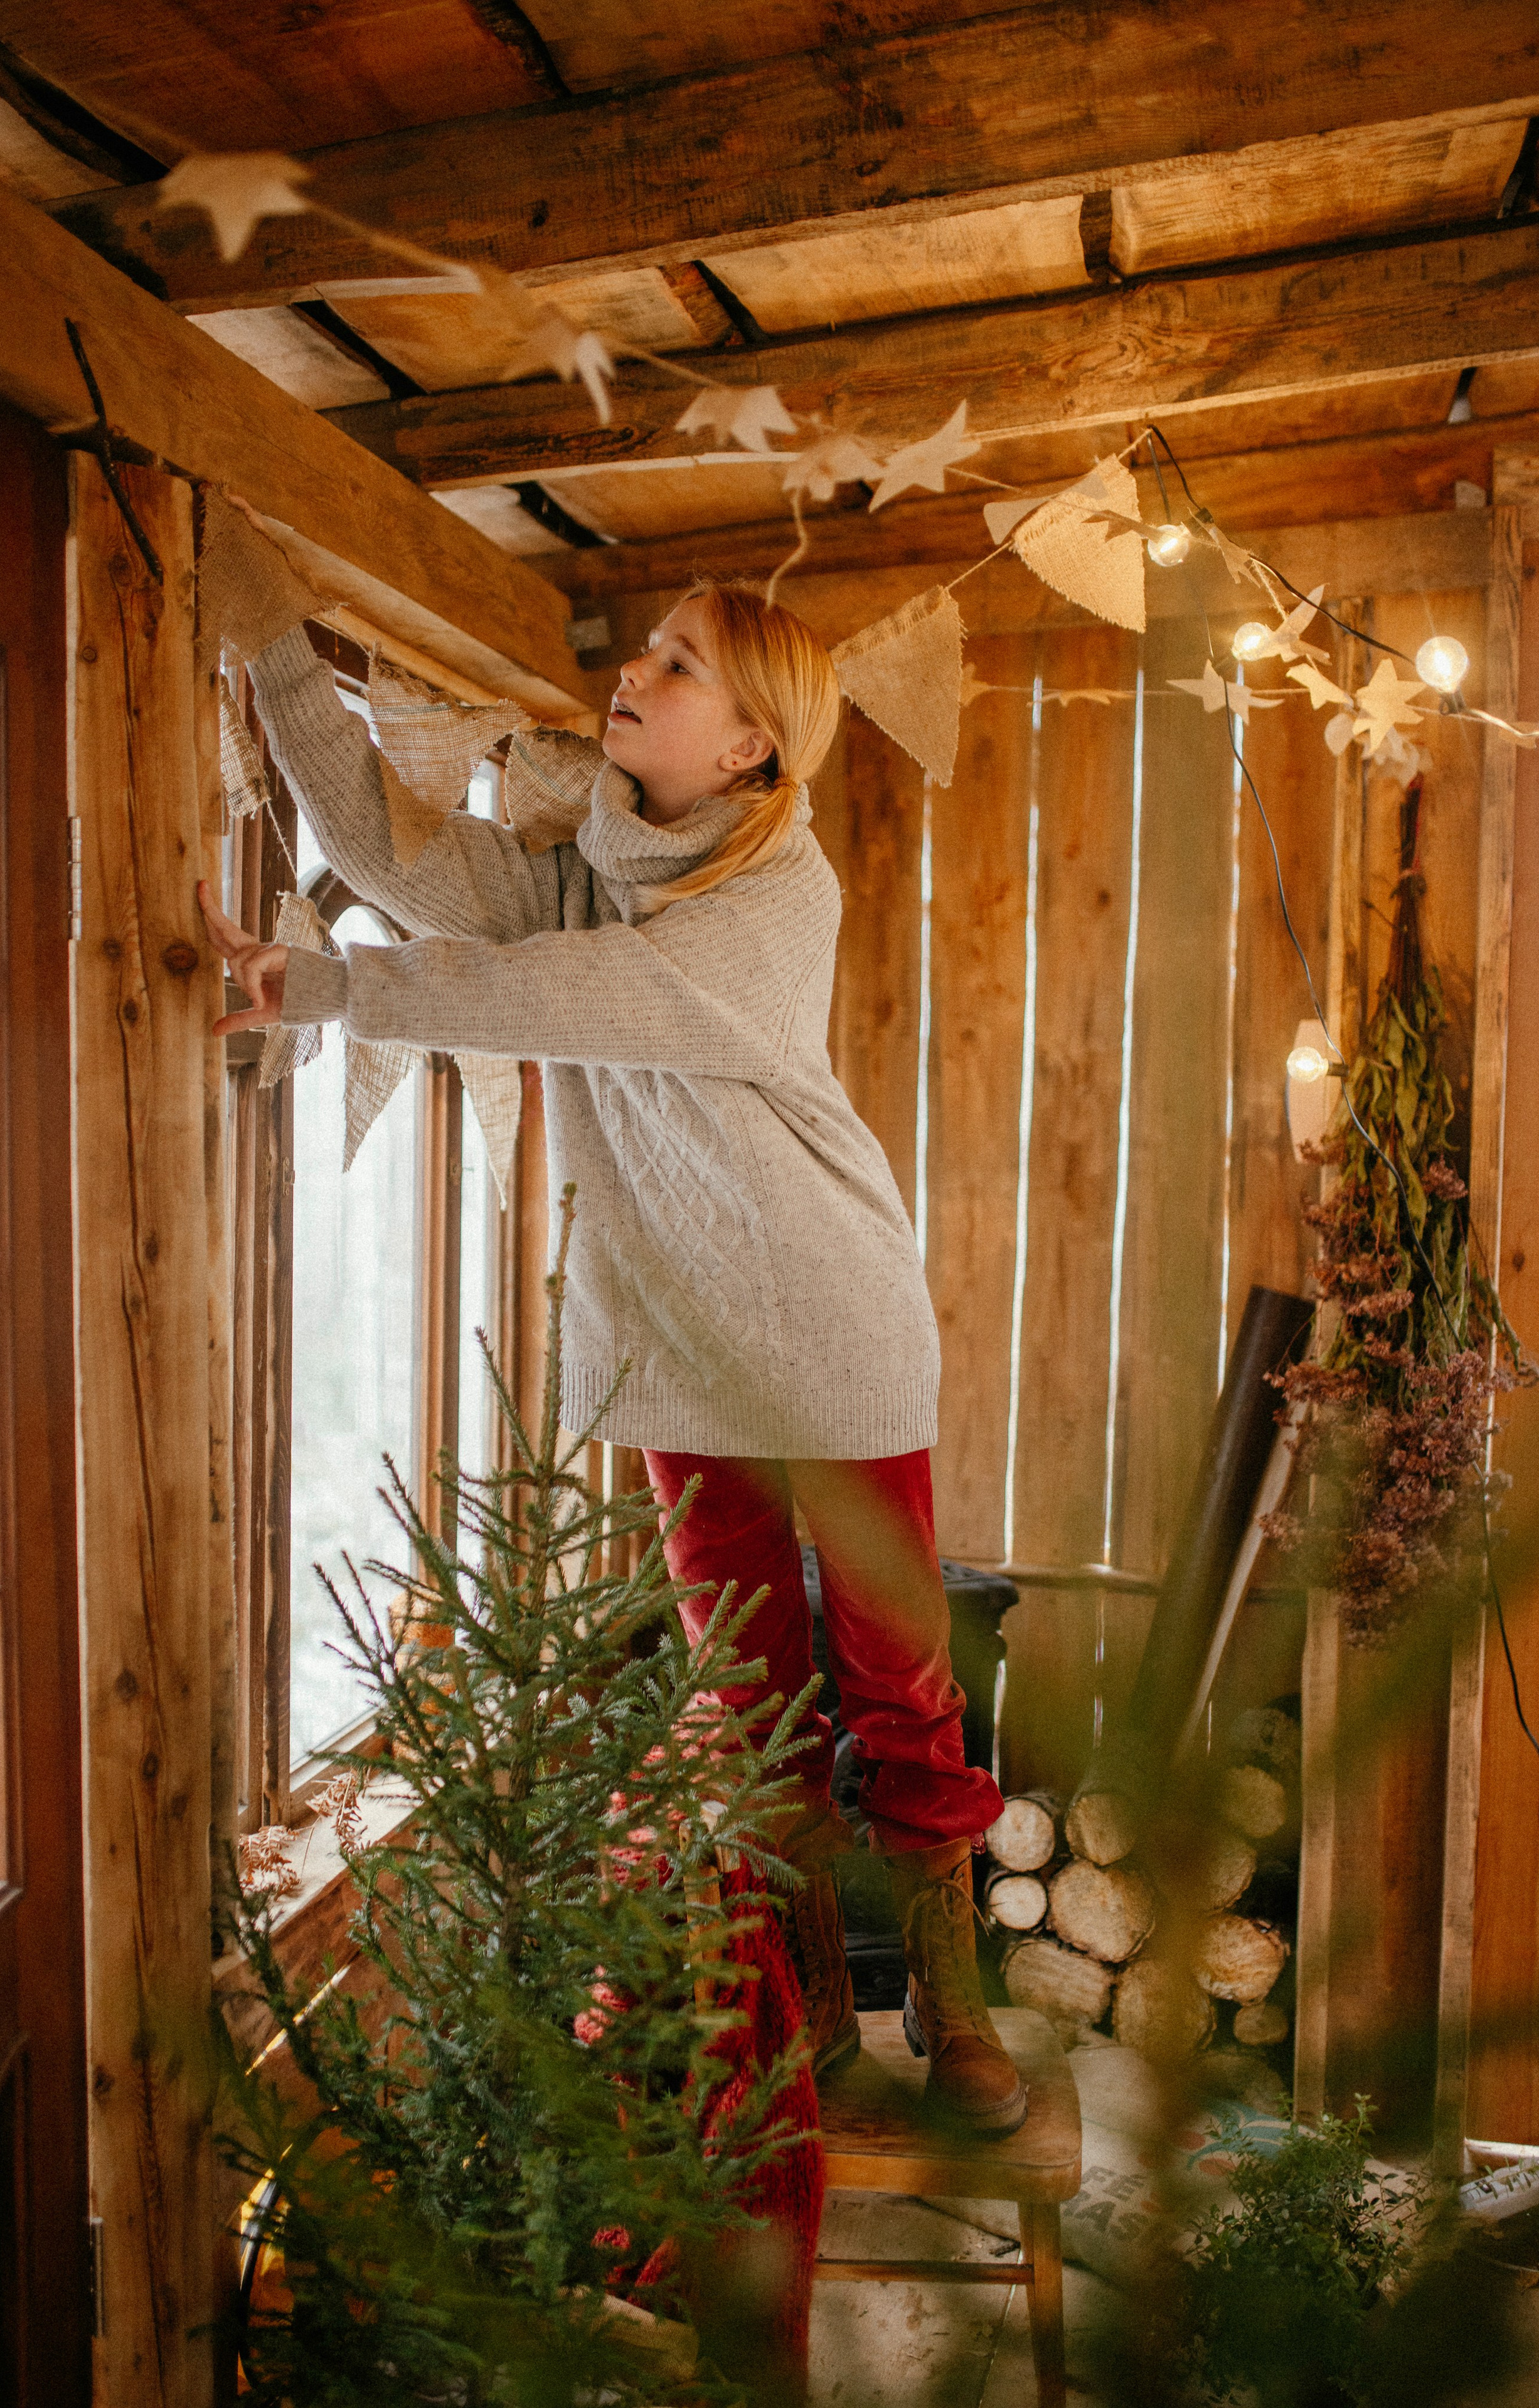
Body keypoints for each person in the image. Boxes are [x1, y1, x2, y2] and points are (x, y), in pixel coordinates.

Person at [198, 524, 1023, 2134]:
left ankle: (951, 1997)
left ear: (750, 744)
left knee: (898, 1683)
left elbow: (559, 999)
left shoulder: (776, 894)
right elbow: (382, 846)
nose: (632, 672)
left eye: (675, 663)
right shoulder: (578, 863)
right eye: (645, 649)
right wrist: (272, 642)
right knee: (742, 1704)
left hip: (834, 1340)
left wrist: (335, 989)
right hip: (670, 1346)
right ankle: (807, 2011)